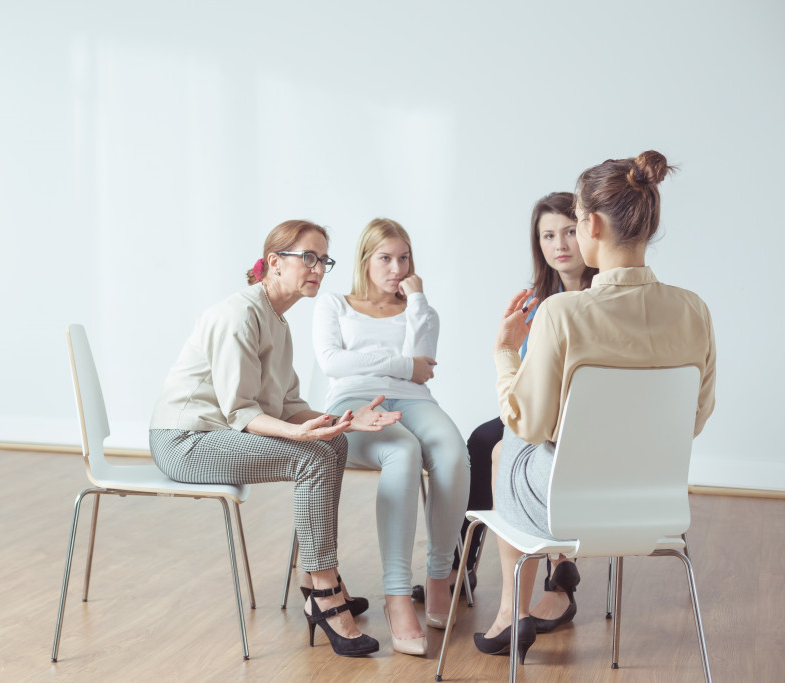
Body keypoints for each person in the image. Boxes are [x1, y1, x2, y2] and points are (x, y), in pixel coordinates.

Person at [474, 151, 716, 662]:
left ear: (591, 224)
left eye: (575, 223)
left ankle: (510, 612)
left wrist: (502, 353)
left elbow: (526, 420)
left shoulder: (561, 313)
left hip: (567, 506)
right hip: (654, 505)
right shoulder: (694, 310)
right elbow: (694, 417)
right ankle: (546, 594)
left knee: (507, 440)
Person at [150, 219, 399, 658]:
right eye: (308, 257)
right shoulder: (241, 314)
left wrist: (341, 420)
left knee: (333, 444)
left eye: (324, 260)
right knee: (314, 457)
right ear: (274, 262)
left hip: (218, 434)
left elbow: (287, 404)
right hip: (185, 441)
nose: (318, 268)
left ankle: (310, 579)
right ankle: (324, 589)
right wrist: (300, 434)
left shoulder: (278, 322)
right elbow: (241, 412)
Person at [312, 218, 470, 656]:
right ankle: (397, 597)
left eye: (403, 258)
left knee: (453, 453)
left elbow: (425, 358)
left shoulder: (420, 308)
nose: (395, 267)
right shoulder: (334, 304)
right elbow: (332, 363)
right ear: (365, 260)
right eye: (385, 258)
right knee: (403, 450)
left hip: (415, 401)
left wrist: (417, 299)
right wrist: (399, 364)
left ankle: (438, 575)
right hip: (353, 405)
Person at [458, 192, 598, 633]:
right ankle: (462, 562)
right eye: (547, 235)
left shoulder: (603, 297)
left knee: (512, 449)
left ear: (590, 231)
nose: (560, 245)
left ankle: (556, 569)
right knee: (481, 441)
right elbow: (523, 386)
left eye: (570, 232)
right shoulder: (535, 300)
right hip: (539, 406)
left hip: (578, 417)